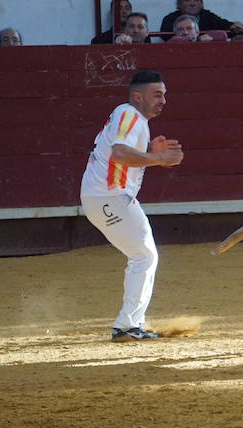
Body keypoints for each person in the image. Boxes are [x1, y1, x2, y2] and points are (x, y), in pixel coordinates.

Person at [79, 70, 184, 342]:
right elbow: (120, 154)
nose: (162, 100)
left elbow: (118, 153)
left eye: (164, 95)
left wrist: (151, 150)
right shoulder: (129, 114)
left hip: (106, 197)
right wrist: (159, 159)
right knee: (144, 257)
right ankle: (127, 326)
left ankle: (131, 323)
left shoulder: (131, 116)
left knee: (143, 256)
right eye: (156, 95)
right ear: (138, 96)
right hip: (109, 197)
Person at [159, 0, 243, 38]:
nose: (192, 3)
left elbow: (225, 27)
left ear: (201, 3)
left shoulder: (207, 16)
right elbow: (165, 36)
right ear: (179, 4)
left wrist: (234, 26)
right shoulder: (170, 19)